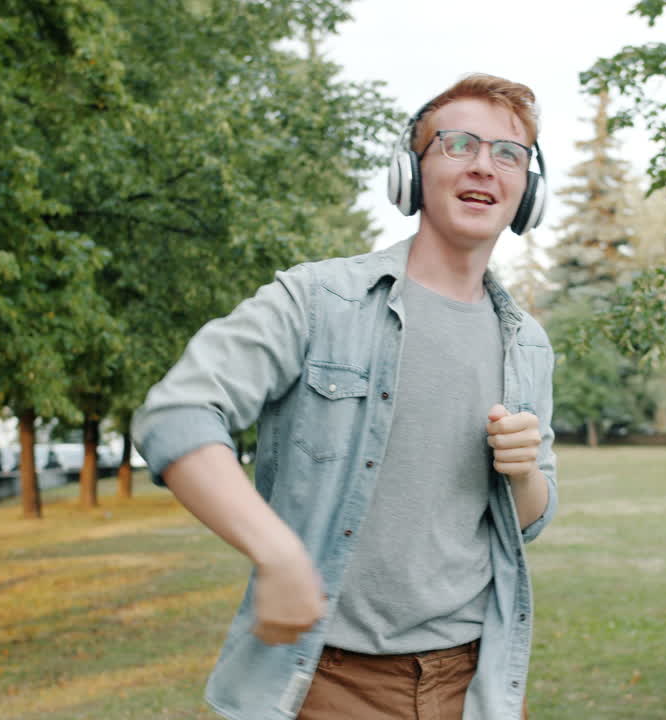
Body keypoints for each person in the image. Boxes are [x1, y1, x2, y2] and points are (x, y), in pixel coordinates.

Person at [133, 73, 557, 720]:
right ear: (409, 174)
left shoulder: (527, 343)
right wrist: (276, 553)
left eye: (508, 153)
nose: (483, 165)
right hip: (329, 684)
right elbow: (178, 413)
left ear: (528, 190)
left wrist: (524, 474)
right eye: (458, 144)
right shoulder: (315, 302)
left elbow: (530, 517)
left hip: (477, 684)